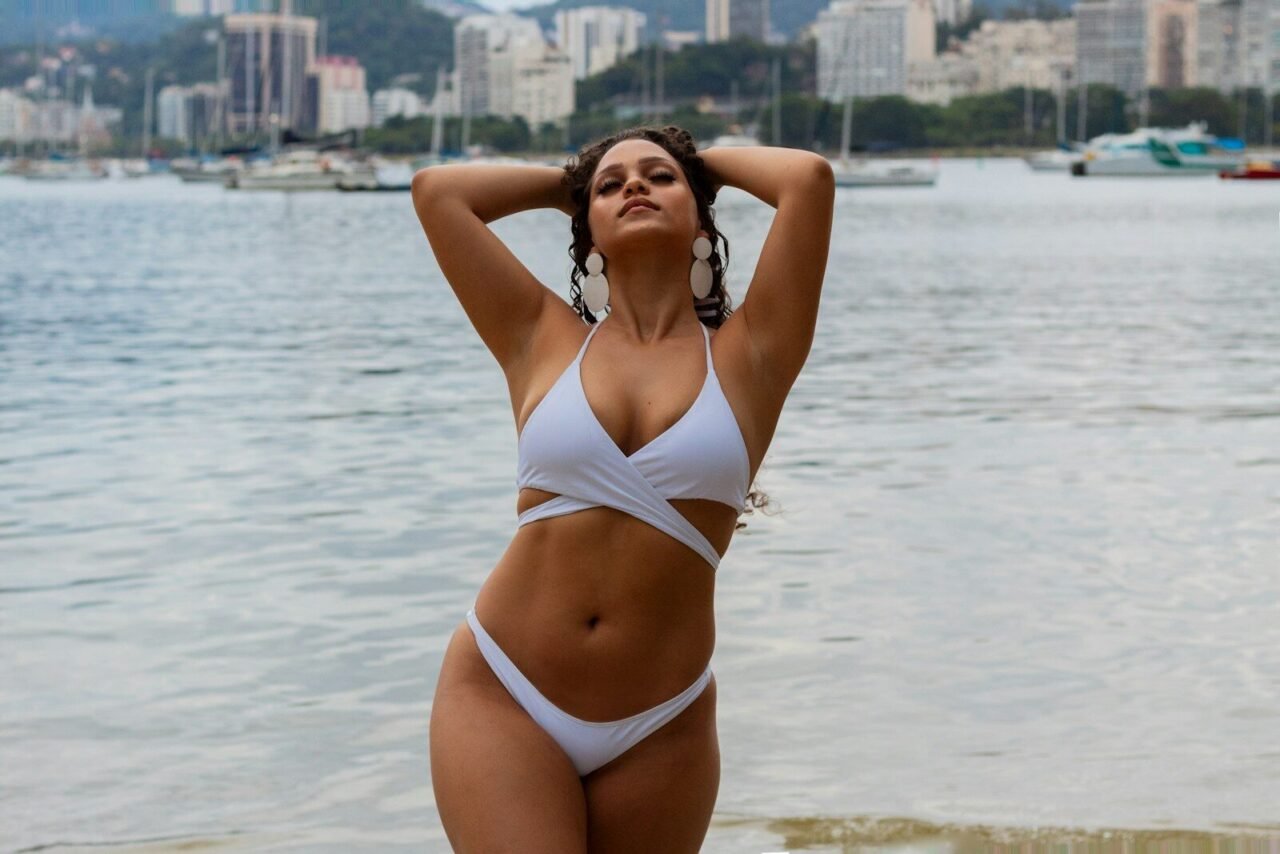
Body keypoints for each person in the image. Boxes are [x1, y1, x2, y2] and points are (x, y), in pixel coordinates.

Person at [412, 125, 834, 853]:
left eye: (658, 178)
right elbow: (440, 194)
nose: (634, 186)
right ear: (589, 233)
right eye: (612, 186)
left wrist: (700, 169)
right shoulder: (538, 336)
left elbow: (809, 181)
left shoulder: (755, 353)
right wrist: (573, 184)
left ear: (702, 220)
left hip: (662, 722)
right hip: (505, 689)